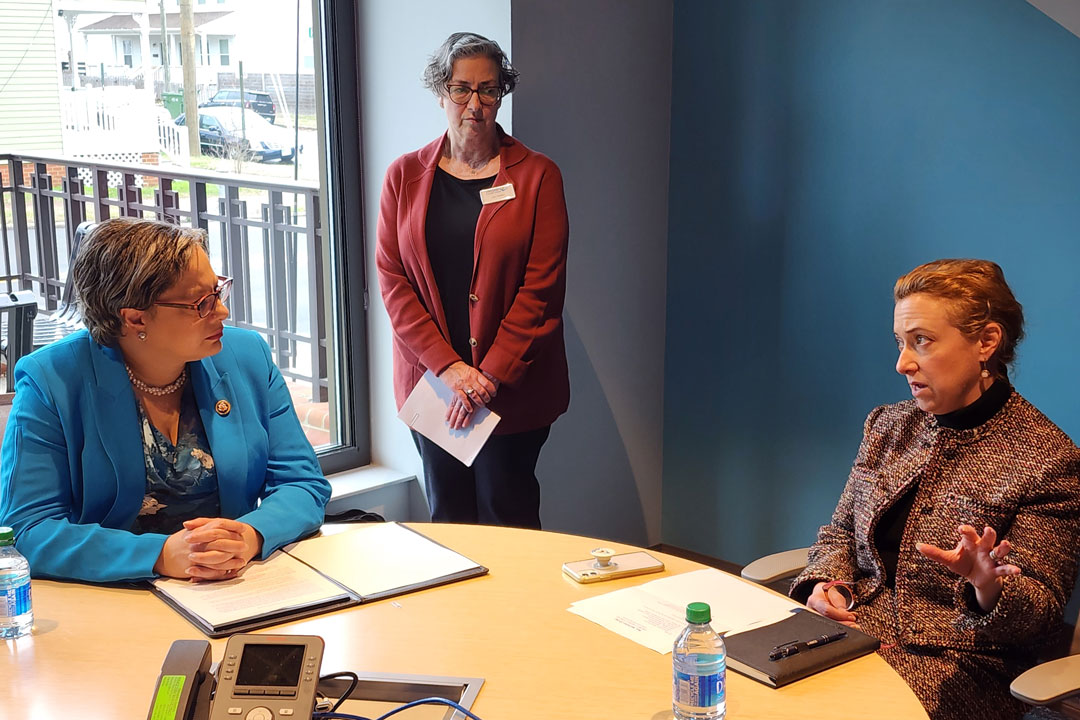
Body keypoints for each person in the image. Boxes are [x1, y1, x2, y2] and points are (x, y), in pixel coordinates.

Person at [790, 259, 1080, 720]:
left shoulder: (1048, 459)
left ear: (986, 342)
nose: (902, 362)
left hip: (963, 664)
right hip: (849, 632)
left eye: (921, 341)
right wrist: (830, 583)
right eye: (901, 342)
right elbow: (840, 531)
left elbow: (1039, 611)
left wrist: (988, 586)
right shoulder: (888, 426)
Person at [0, 218, 331, 584]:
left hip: (233, 589)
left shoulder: (245, 356)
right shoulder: (52, 379)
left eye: (218, 292)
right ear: (134, 317)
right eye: (201, 304)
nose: (221, 312)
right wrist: (157, 555)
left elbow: (303, 483)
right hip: (116, 596)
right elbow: (26, 530)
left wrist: (249, 536)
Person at [376, 32, 569, 528]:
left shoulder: (538, 176)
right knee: (449, 519)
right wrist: (451, 371)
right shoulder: (404, 175)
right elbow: (393, 281)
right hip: (433, 387)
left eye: (488, 89)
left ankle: (519, 610)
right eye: (462, 89)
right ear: (441, 92)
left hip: (512, 389)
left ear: (501, 93)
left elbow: (541, 290)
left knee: (509, 518)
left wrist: (486, 378)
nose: (475, 104)